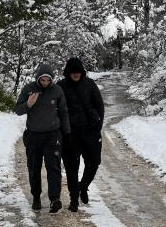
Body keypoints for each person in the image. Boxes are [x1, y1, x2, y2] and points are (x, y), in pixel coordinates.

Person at [14, 63, 71, 213]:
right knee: (34, 167)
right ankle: (36, 197)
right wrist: (28, 104)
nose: (45, 83)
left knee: (54, 167)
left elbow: (64, 112)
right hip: (33, 135)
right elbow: (17, 110)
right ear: (38, 78)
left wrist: (67, 133)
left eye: (48, 80)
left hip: (53, 135)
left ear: (52, 79)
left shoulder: (57, 90)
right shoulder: (29, 89)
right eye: (43, 80)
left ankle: (54, 199)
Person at [57, 57, 104, 211]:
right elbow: (56, 110)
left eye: (78, 71)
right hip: (70, 134)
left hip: (90, 132)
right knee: (71, 168)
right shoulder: (61, 86)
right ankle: (74, 199)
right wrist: (63, 132)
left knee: (94, 162)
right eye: (73, 72)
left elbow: (99, 105)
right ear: (68, 72)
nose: (75, 74)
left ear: (82, 72)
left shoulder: (90, 84)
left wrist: (97, 126)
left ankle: (83, 185)